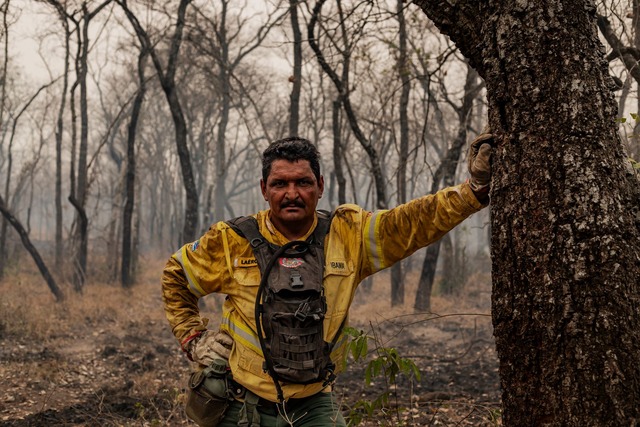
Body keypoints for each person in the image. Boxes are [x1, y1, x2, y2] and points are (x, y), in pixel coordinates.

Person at [162, 134, 493, 426]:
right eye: (280, 184)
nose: (292, 193)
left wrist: (473, 190)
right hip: (240, 401)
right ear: (264, 190)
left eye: (303, 182)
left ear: (320, 186)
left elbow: (411, 223)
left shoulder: (349, 234)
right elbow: (175, 275)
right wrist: (193, 338)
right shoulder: (232, 239)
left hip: (313, 402)